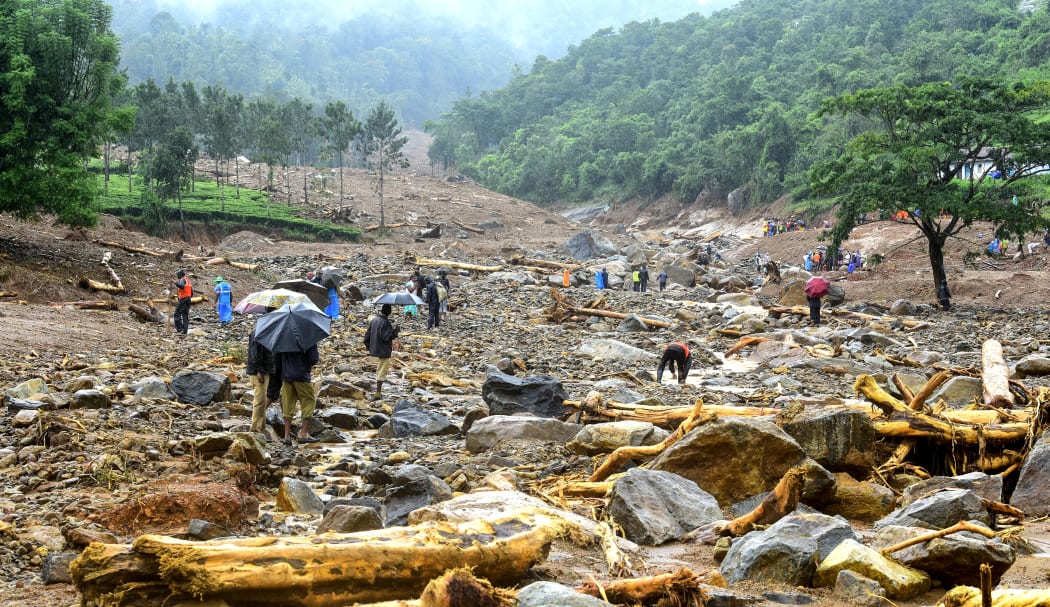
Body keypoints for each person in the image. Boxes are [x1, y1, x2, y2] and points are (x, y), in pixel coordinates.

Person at [278, 343, 320, 445]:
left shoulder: (283, 338)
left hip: (286, 375)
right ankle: (303, 434)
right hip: (301, 375)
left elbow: (277, 357)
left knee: (287, 404)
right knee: (309, 402)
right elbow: (313, 358)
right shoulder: (307, 338)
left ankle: (287, 436)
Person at [364, 303, 399, 400]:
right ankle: (378, 393)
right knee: (382, 371)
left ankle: (378, 392)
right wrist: (395, 331)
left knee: (379, 370)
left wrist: (370, 347)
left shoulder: (374, 320)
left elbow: (367, 336)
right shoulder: (385, 322)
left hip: (375, 349)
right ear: (389, 312)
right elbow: (386, 337)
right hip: (383, 350)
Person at [246, 322, 275, 436]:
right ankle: (255, 430)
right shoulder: (257, 333)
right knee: (259, 401)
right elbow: (254, 354)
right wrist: (259, 370)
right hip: (259, 371)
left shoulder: (265, 332)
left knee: (262, 401)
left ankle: (260, 428)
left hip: (265, 369)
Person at [173, 269, 192, 334]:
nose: (177, 276)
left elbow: (181, 286)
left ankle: (180, 329)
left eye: (177, 275)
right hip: (188, 299)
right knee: (185, 315)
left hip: (183, 299)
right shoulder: (188, 281)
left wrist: (175, 283)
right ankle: (185, 330)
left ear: (180, 274)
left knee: (176, 314)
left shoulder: (182, 280)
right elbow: (191, 292)